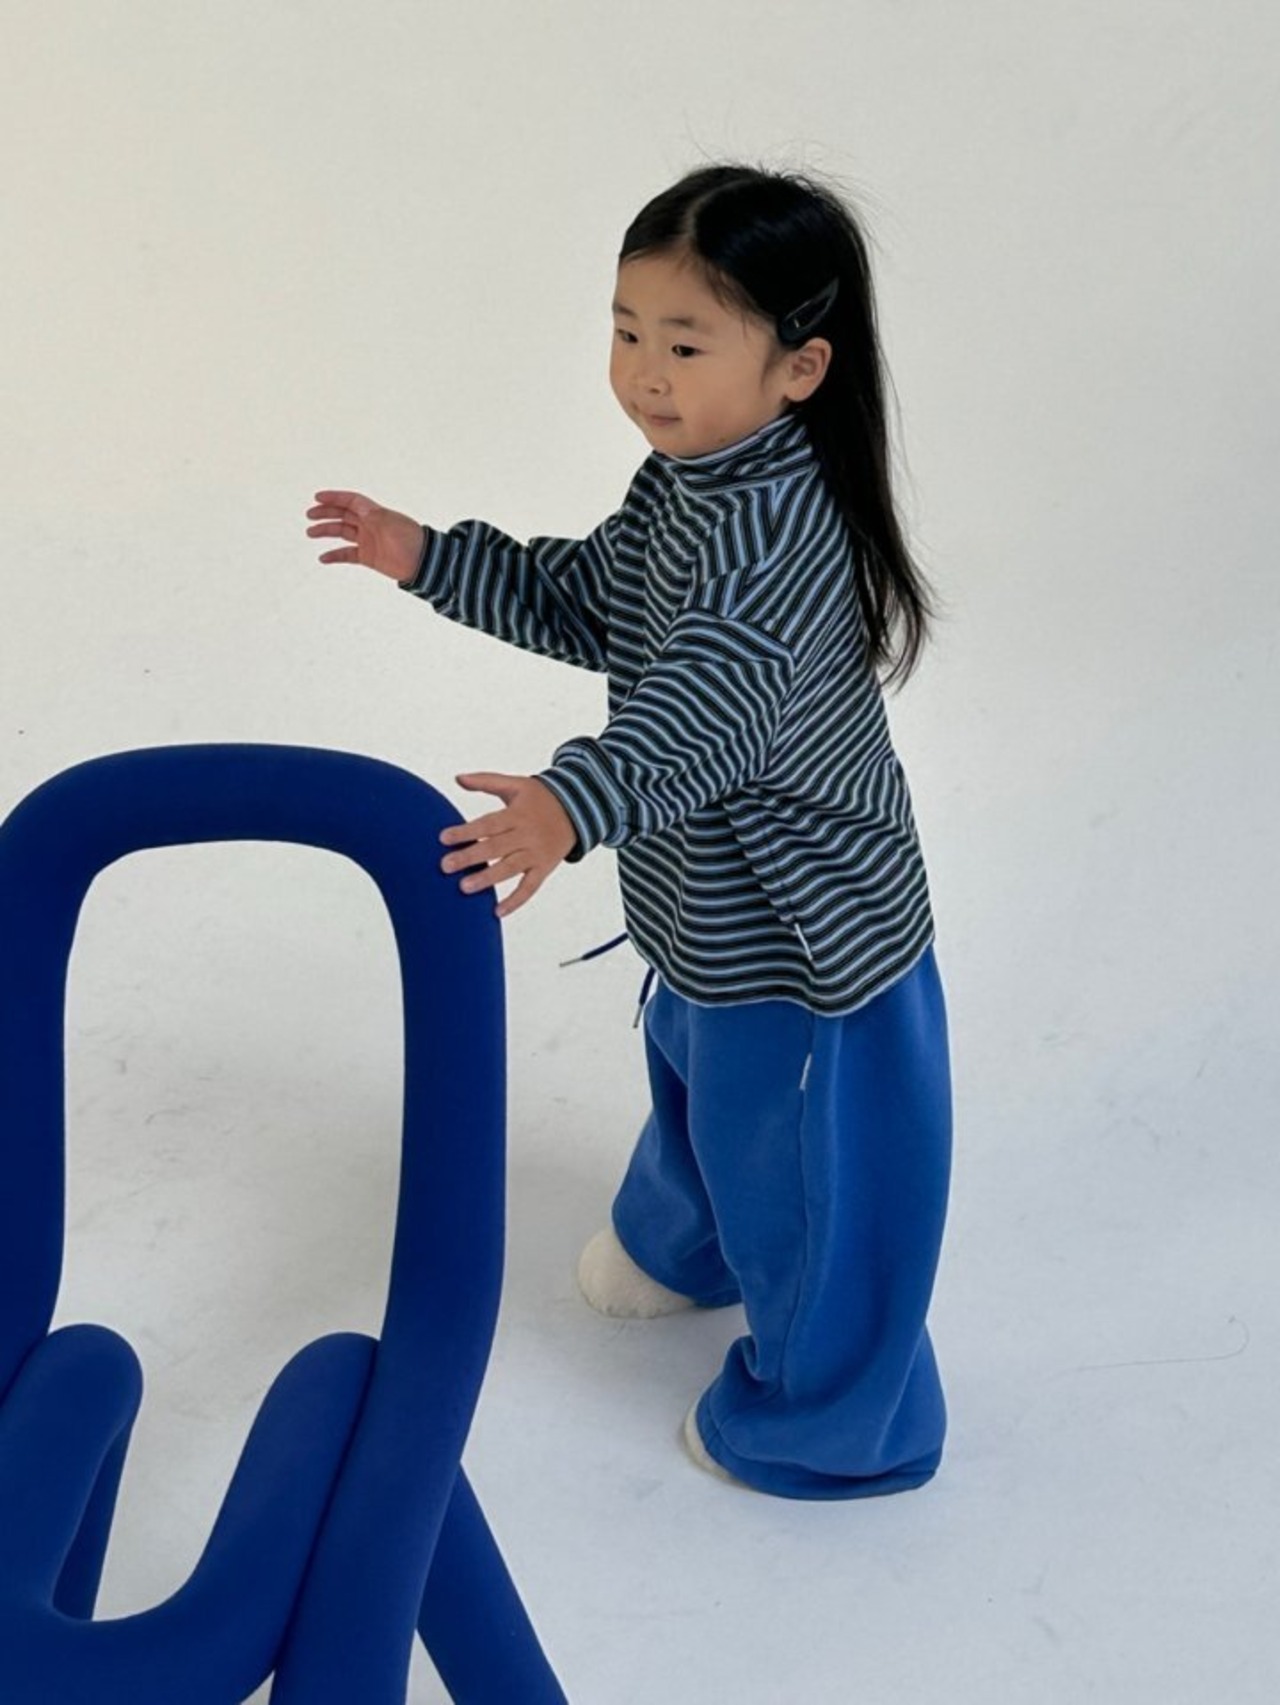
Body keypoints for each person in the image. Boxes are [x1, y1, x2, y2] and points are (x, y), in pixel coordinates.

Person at [306, 164, 952, 1501]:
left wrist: (567, 803)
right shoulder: (688, 482)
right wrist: (430, 555)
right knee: (695, 1081)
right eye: (626, 331)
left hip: (804, 938)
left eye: (686, 344)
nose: (646, 373)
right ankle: (685, 1249)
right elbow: (593, 600)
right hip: (707, 906)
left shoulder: (774, 534)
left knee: (801, 1174)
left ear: (800, 368)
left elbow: (707, 711)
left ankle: (838, 1421)